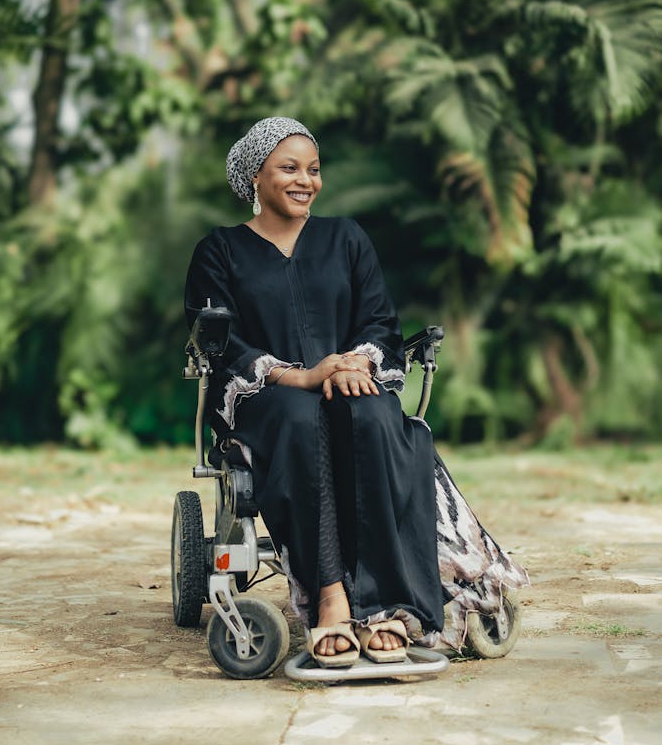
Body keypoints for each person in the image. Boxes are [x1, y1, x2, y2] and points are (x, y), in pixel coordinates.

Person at [185, 117, 527, 667]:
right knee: (299, 417)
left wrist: (354, 363)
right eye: (289, 168)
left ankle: (385, 603)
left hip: (348, 384)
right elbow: (220, 341)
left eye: (314, 169)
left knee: (371, 415)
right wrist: (301, 375)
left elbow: (378, 321)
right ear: (255, 176)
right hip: (266, 398)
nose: (306, 181)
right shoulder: (219, 251)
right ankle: (331, 598)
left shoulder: (345, 238)